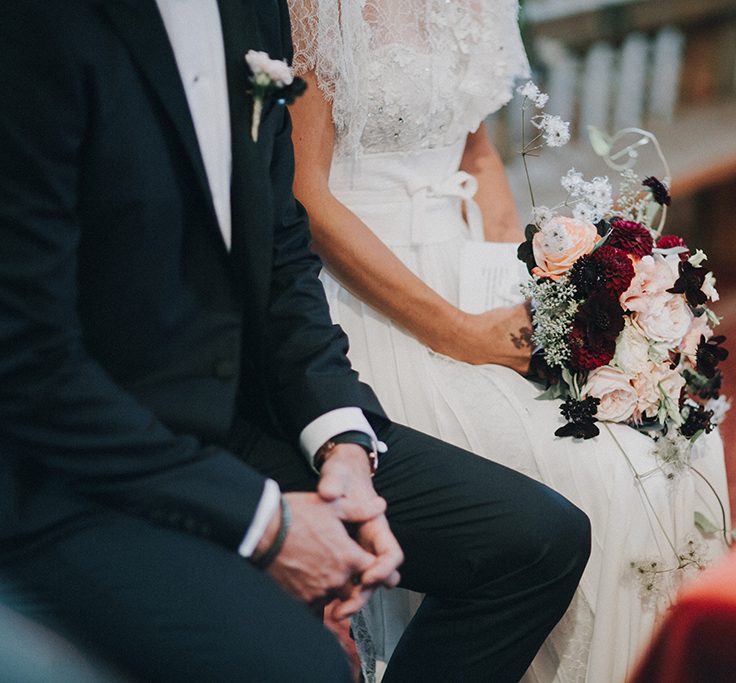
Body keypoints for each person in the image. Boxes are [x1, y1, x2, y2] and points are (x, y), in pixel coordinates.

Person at [0, 2, 589, 681]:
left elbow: (282, 250)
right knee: (308, 665)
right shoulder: (37, 24)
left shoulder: (251, 8)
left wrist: (342, 440)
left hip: (237, 414)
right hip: (74, 467)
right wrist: (267, 524)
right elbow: (30, 367)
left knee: (539, 540)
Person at [286, 1, 733, 681]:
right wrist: (461, 332)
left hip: (469, 270)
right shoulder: (318, 8)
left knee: (681, 438)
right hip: (365, 294)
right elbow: (305, 196)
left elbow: (479, 152)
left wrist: (543, 297)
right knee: (600, 479)